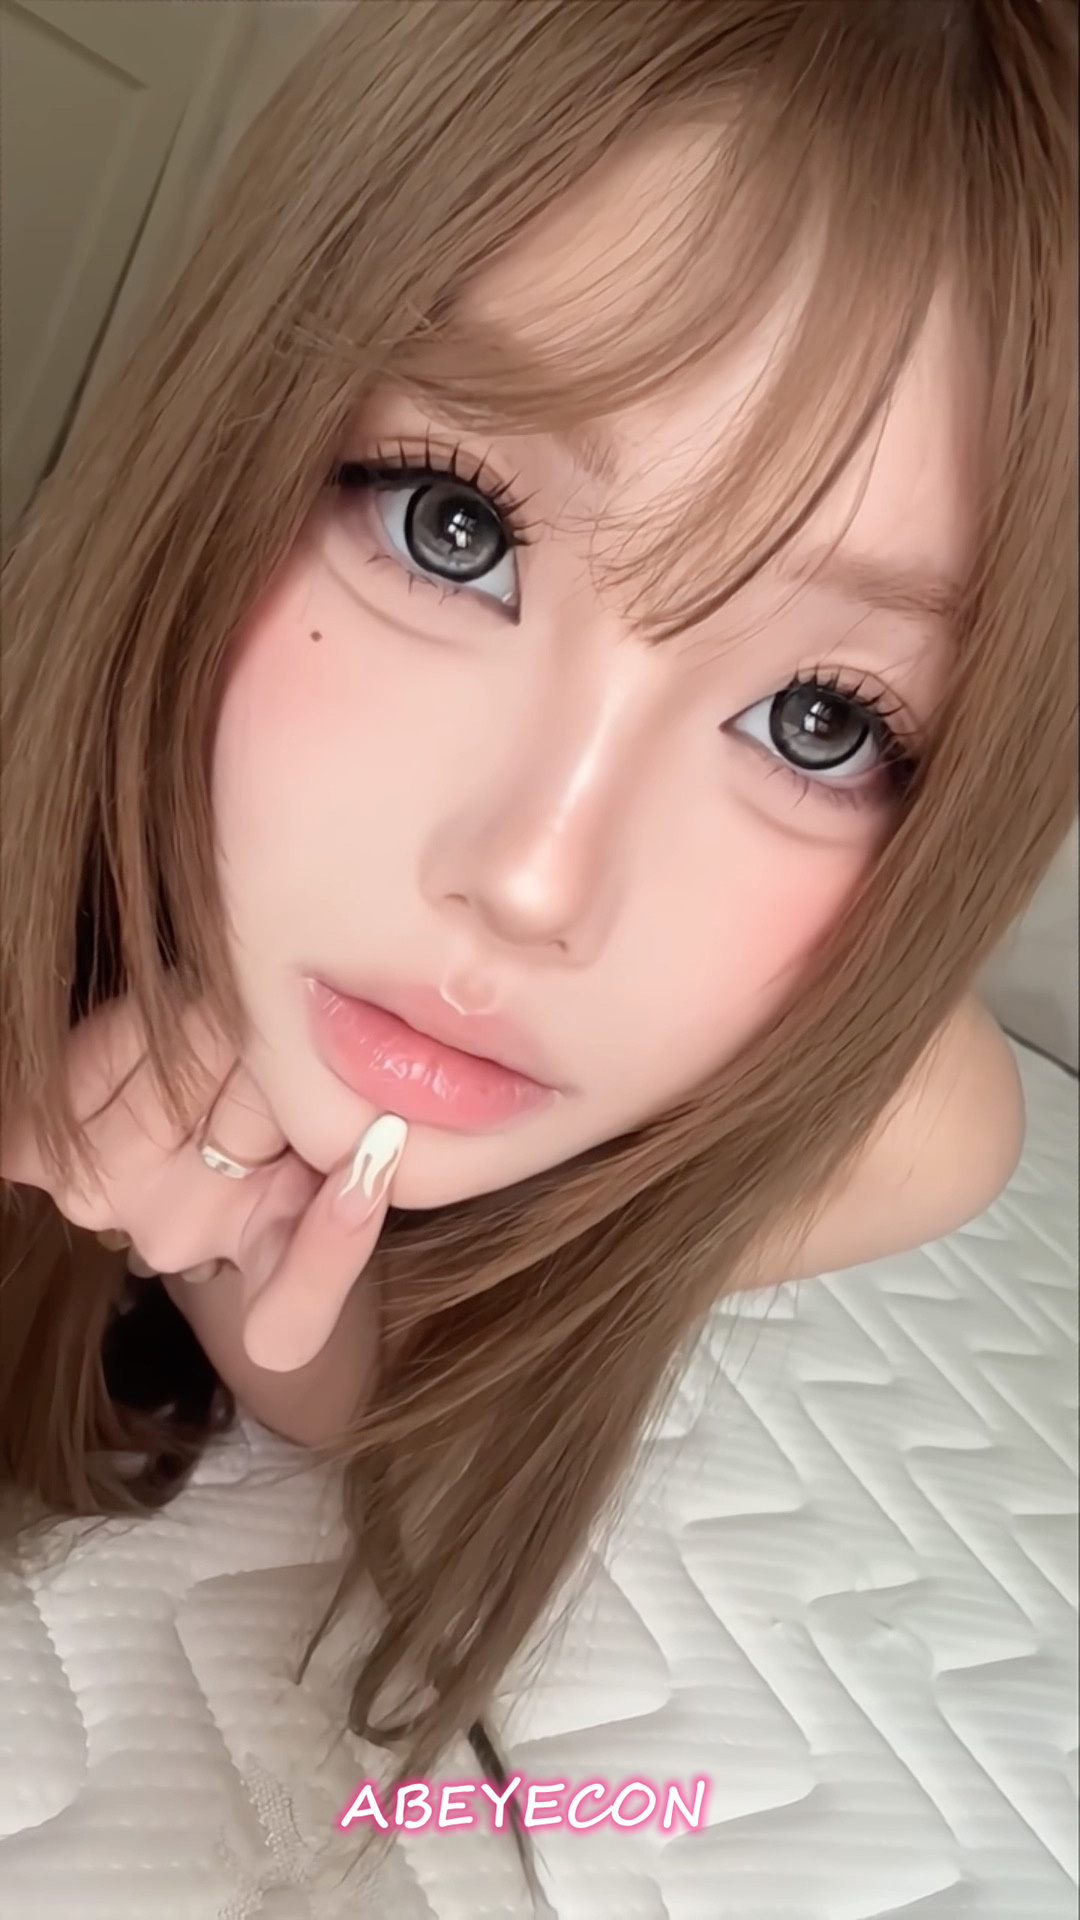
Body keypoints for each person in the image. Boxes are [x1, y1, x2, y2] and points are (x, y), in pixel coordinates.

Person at [1, 0, 1076, 1796]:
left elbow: (378, 1384)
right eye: (456, 525)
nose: (531, 877)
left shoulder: (897, 1127)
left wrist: (236, 1268)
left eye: (821, 723)